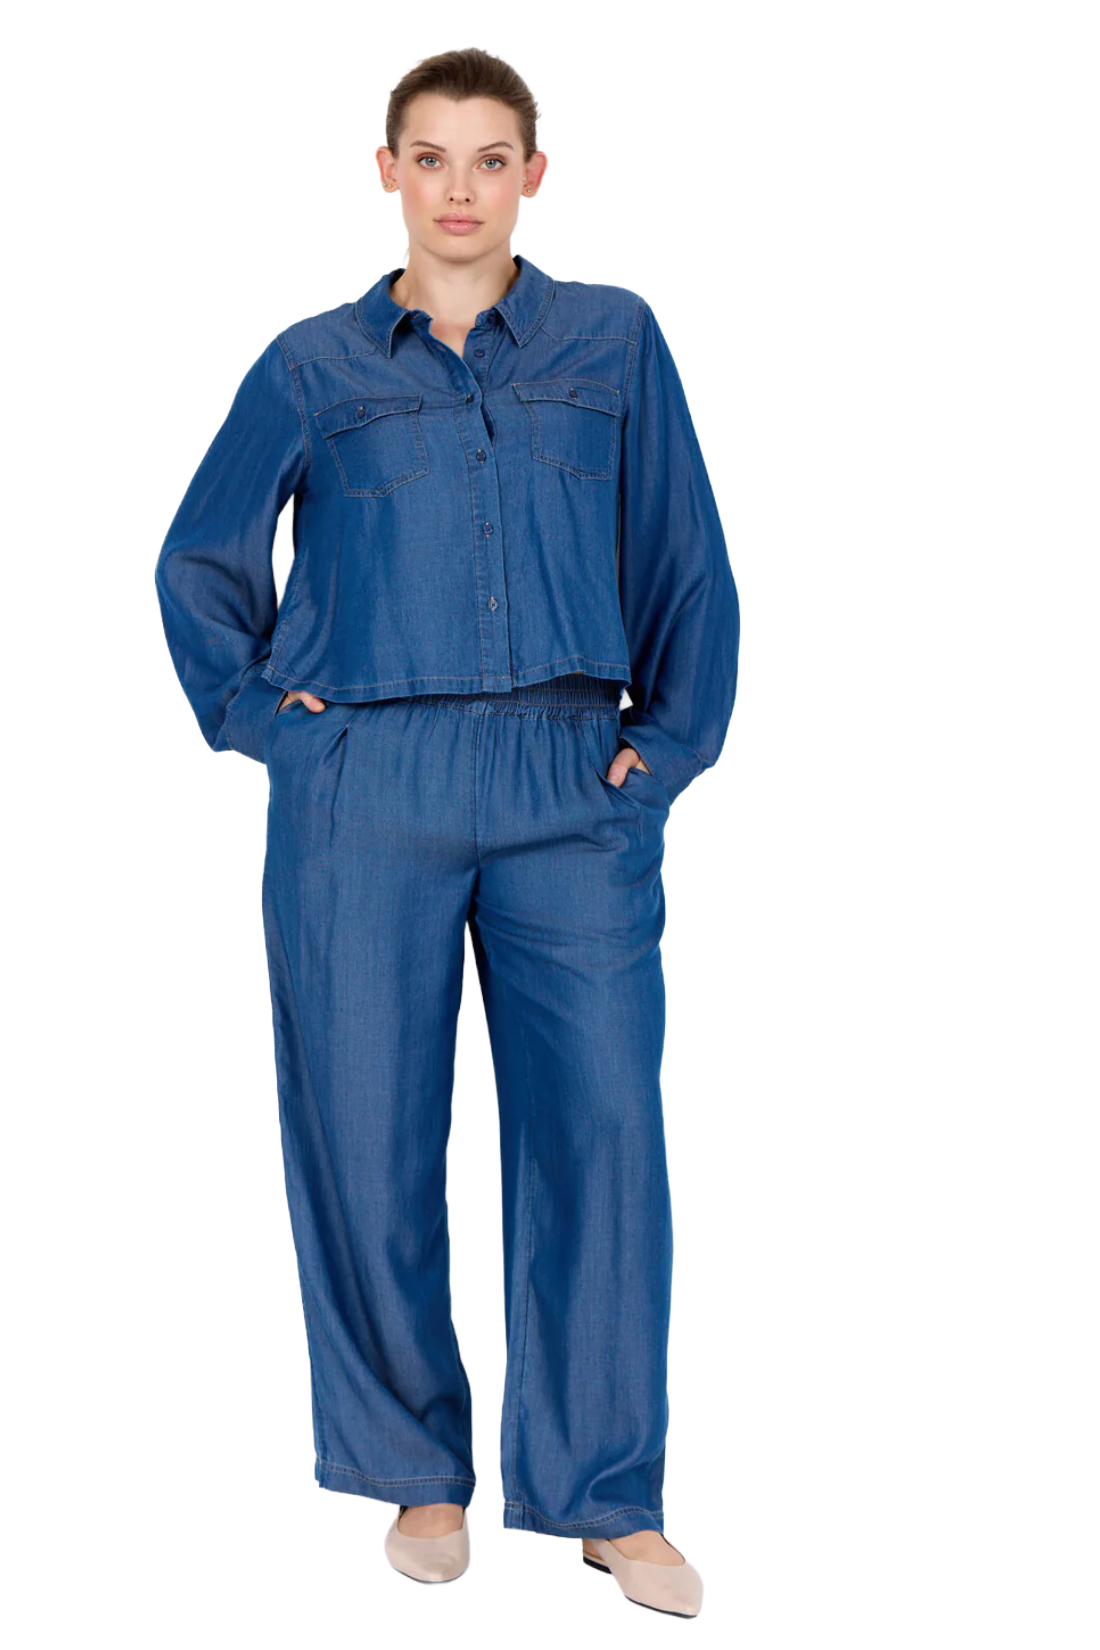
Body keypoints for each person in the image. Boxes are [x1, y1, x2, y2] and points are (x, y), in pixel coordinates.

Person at [155, 47, 739, 1619]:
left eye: (490, 159)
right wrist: (272, 723)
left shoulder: (614, 341)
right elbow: (200, 561)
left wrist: (663, 750)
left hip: (569, 778)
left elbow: (684, 555)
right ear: (388, 172)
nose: (460, 189)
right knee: (364, 1131)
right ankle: (415, 1465)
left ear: (533, 175)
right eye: (432, 158)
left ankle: (608, 1493)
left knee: (602, 1132)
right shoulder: (313, 366)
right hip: (368, 788)